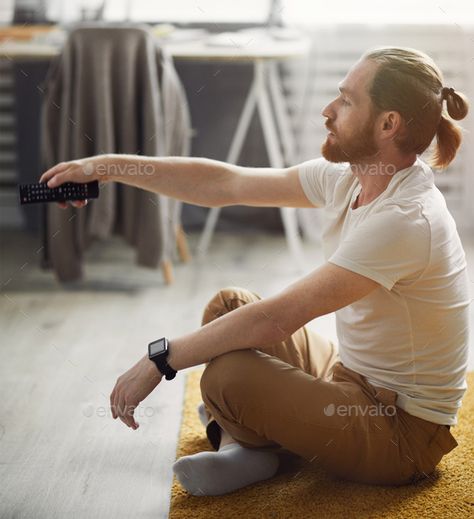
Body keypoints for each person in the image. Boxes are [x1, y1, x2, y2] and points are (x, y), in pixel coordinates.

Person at [40, 47, 470, 497]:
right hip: (351, 376)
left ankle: (246, 443)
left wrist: (158, 359)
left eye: (345, 101)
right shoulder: (353, 177)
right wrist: (107, 168)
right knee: (229, 307)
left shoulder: (405, 218)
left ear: (388, 124)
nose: (328, 111)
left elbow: (278, 319)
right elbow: (228, 184)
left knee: (227, 378)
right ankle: (247, 448)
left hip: (399, 432)